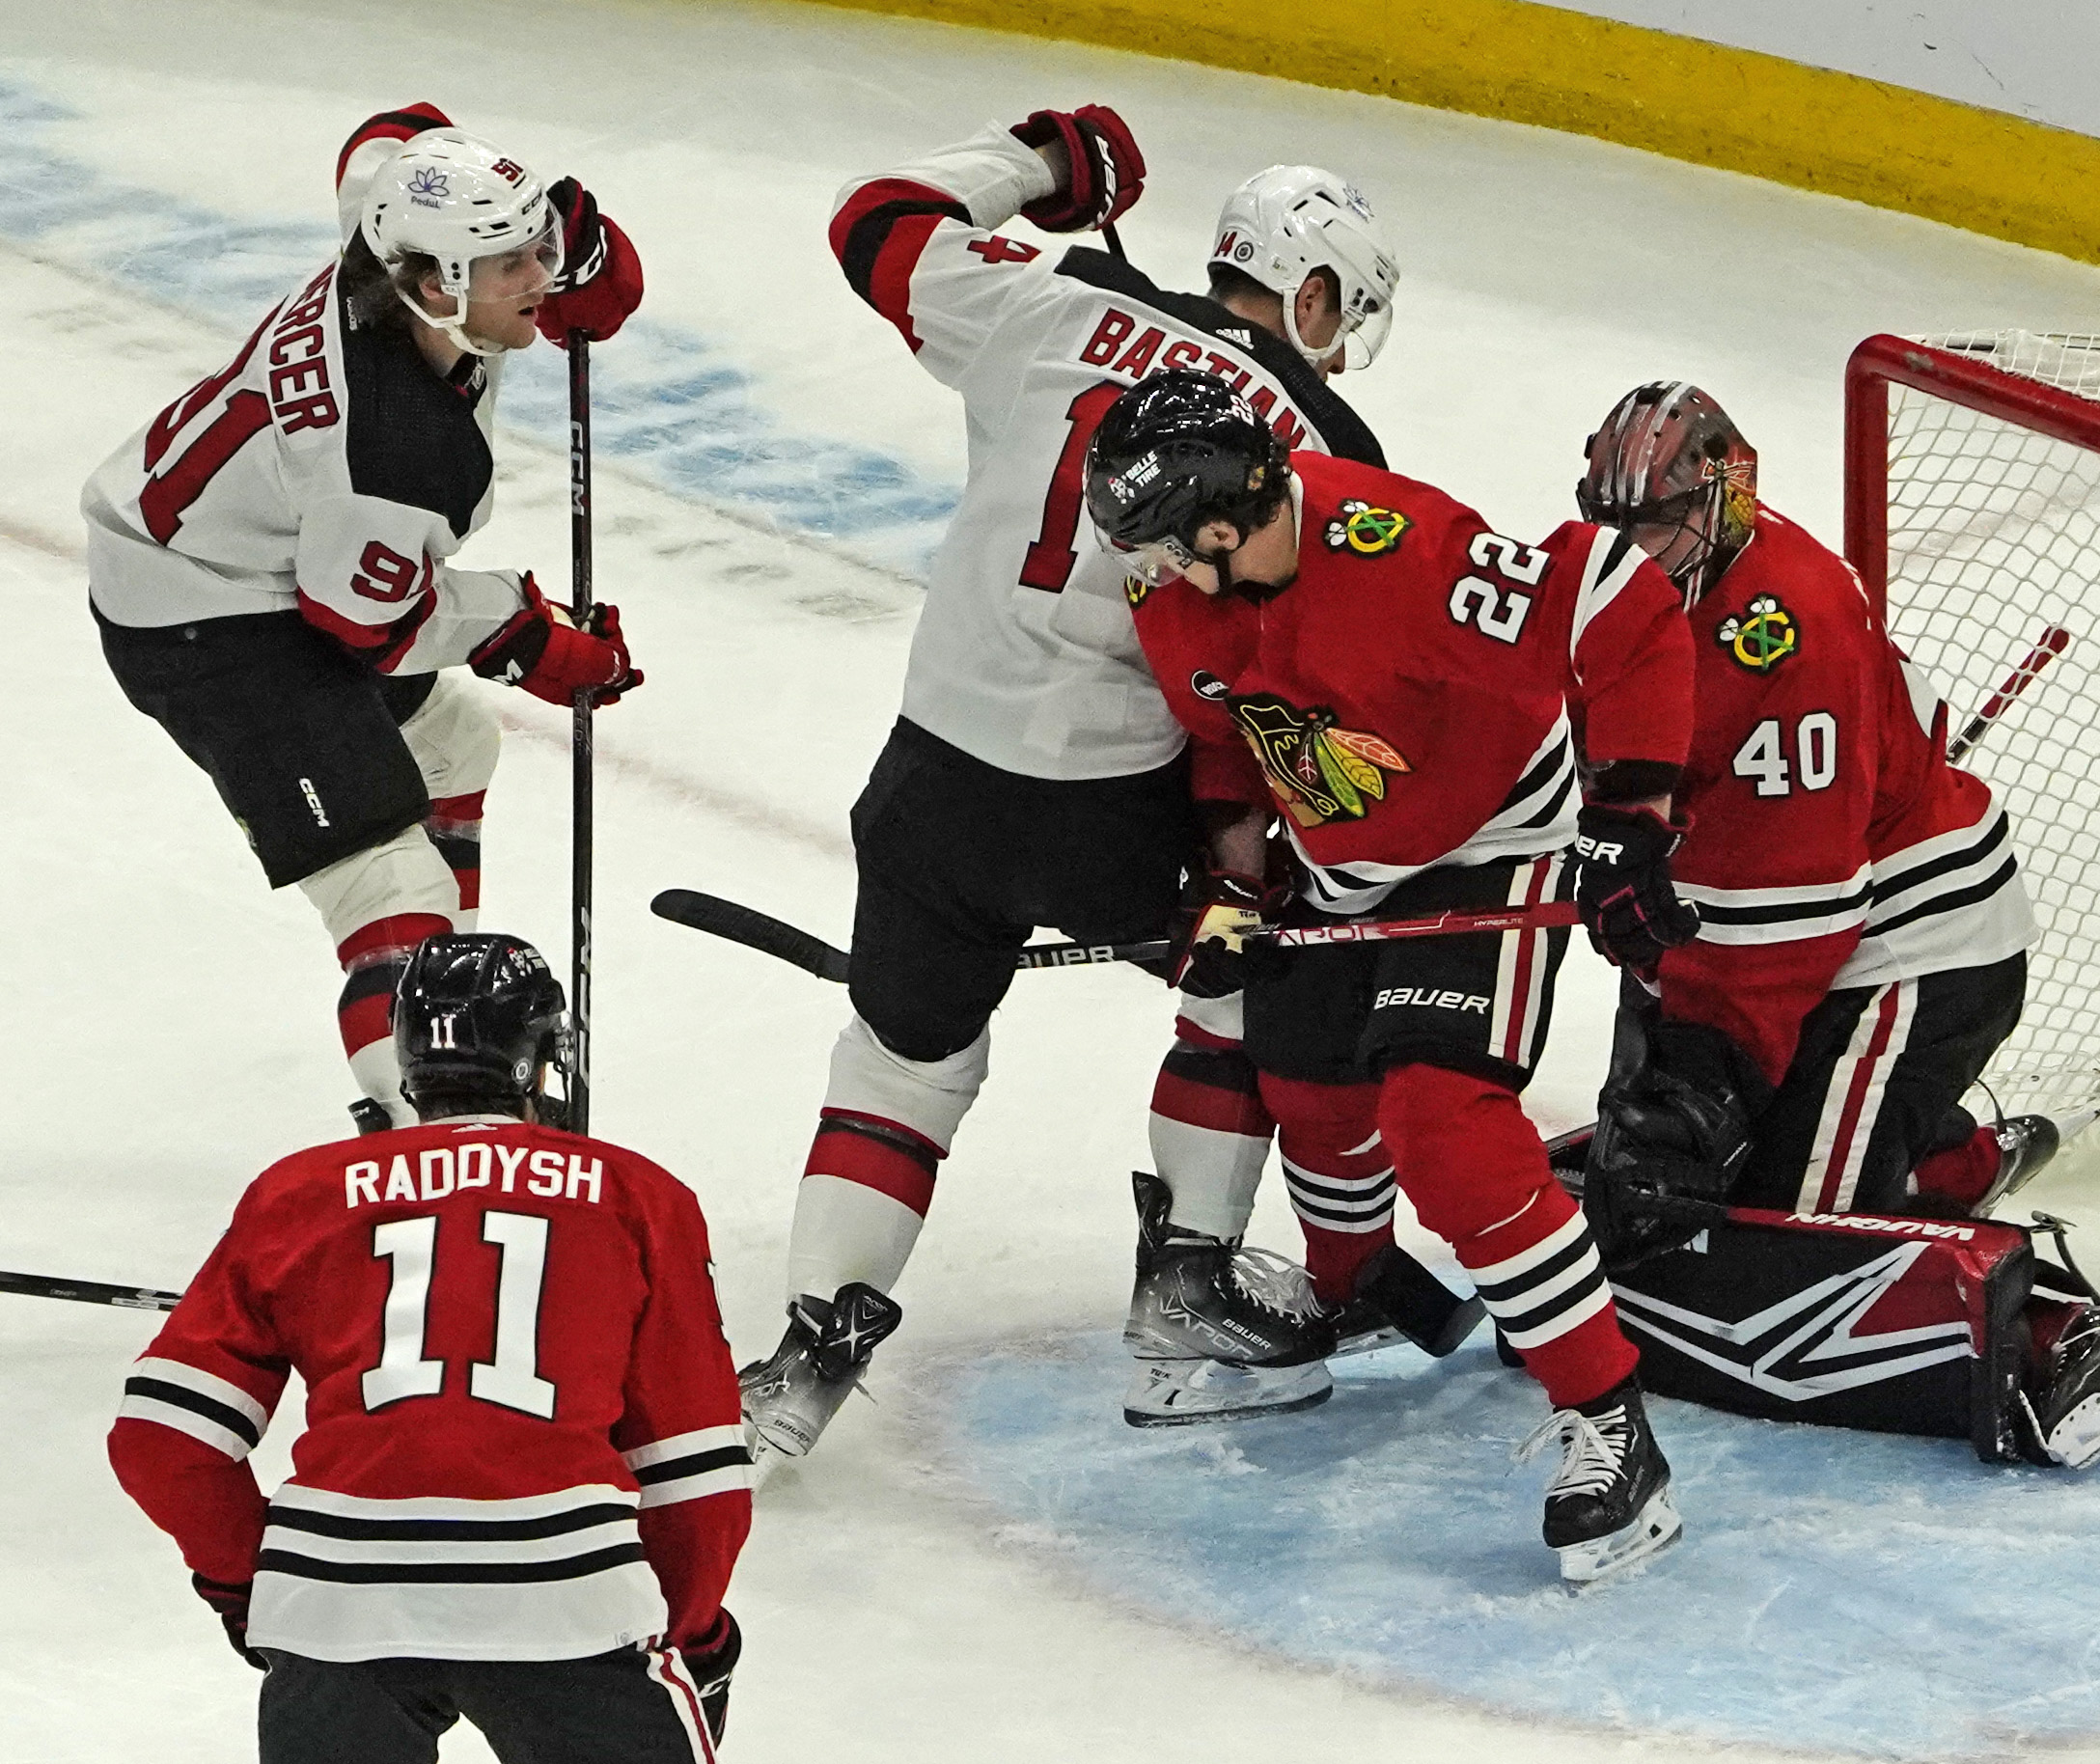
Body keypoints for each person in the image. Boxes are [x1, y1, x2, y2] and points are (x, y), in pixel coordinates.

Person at [744, 103, 1407, 1455]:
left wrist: (1041, 159)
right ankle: (1185, 1290)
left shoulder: (1049, 303)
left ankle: (807, 1351)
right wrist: (1250, 856)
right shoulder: (1321, 439)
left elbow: (873, 218)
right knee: (1240, 983)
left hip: (928, 783)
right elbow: (1283, 676)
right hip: (1120, 813)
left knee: (902, 1059)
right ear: (1317, 291)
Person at [1088, 369, 1699, 1584]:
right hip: (1340, 859)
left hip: (1490, 853)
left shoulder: (1403, 552)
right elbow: (1231, 744)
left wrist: (1631, 815)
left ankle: (1614, 1423)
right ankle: (1354, 1289)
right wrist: (1229, 866)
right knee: (1309, 1085)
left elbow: (1617, 598)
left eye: (1157, 547)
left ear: (1221, 524)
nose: (1139, 572)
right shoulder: (1187, 600)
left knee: (1443, 1125)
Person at [1566, 380, 2100, 1469]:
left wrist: (1698, 1078)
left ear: (1728, 496)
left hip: (1907, 946)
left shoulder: (1789, 630)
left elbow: (1799, 921)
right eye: (1615, 525)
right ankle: (1946, 1152)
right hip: (1764, 913)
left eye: (1660, 524)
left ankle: (2062, 1330)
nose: (1633, 552)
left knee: (1790, 1240)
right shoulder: (1615, 589)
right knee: (1659, 1196)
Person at [81, 104, 647, 1132]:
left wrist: (580, 238)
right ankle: (439, 1120)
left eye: (539, 250)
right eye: (512, 262)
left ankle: (444, 1018)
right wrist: (524, 633)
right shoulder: (388, 449)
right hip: (205, 621)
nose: (541, 279)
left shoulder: (392, 242)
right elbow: (361, 629)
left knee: (454, 742)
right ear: (435, 288)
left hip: (251, 548)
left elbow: (397, 135)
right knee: (387, 882)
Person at [108, 933, 749, 1762]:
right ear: (543, 1056)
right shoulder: (636, 1196)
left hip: (336, 1606)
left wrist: (252, 1584)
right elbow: (693, 1473)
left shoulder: (296, 1194)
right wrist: (693, 1637)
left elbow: (163, 1440)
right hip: (564, 1602)